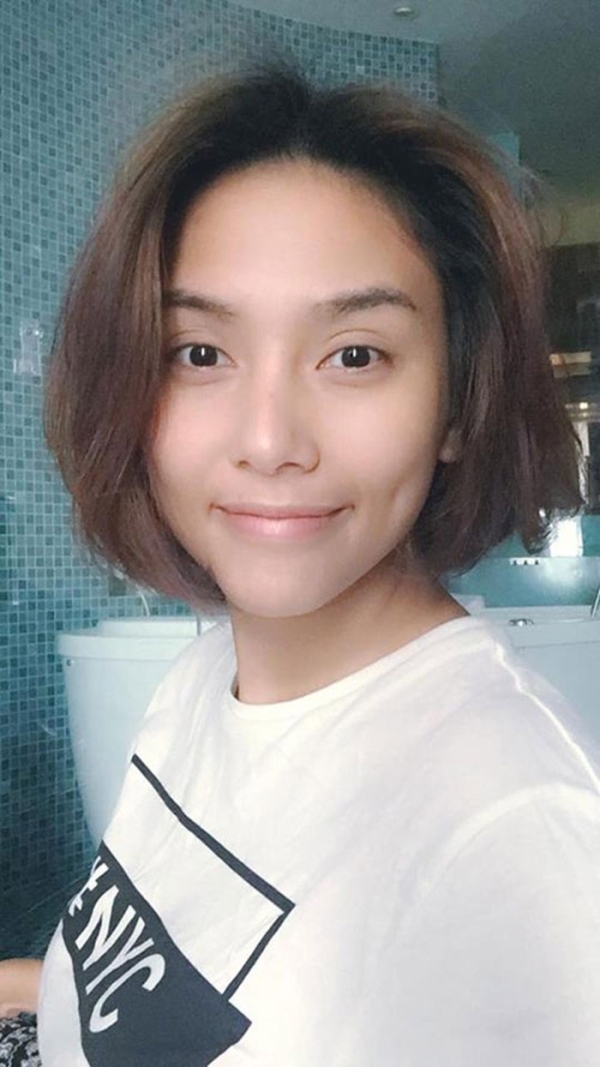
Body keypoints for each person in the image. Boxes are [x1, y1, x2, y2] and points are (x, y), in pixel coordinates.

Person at [3, 58, 600, 1066]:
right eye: (200, 353)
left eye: (354, 354)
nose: (270, 440)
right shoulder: (206, 676)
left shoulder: (512, 831)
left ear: (457, 404)